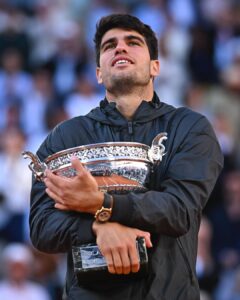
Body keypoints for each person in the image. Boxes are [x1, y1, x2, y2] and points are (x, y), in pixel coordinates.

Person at [29, 14, 223, 300]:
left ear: (155, 66)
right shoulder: (66, 136)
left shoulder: (189, 128)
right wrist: (97, 225)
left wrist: (102, 203)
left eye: (133, 42)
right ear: (98, 72)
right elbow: (41, 226)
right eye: (109, 46)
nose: (120, 48)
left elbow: (179, 209)